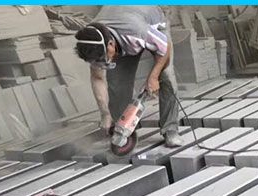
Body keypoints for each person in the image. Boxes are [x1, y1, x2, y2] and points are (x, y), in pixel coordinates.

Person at [74, 6, 182, 147]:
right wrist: (105, 114)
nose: (102, 63)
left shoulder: (137, 31)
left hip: (151, 26)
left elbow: (165, 47)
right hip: (123, 30)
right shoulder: (92, 41)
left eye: (104, 59)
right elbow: (98, 78)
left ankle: (170, 129)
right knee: (117, 84)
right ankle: (122, 128)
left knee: (166, 76)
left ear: (110, 44)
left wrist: (154, 77)